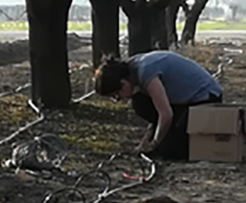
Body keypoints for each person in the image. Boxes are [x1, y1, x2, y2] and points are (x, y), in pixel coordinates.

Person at [94, 51, 223, 160]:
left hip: (204, 98)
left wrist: (154, 143)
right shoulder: (133, 70)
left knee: (169, 153)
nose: (119, 99)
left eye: (117, 94)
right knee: (139, 103)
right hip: (181, 101)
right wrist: (147, 138)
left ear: (123, 82)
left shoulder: (146, 72)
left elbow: (165, 114)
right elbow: (158, 110)